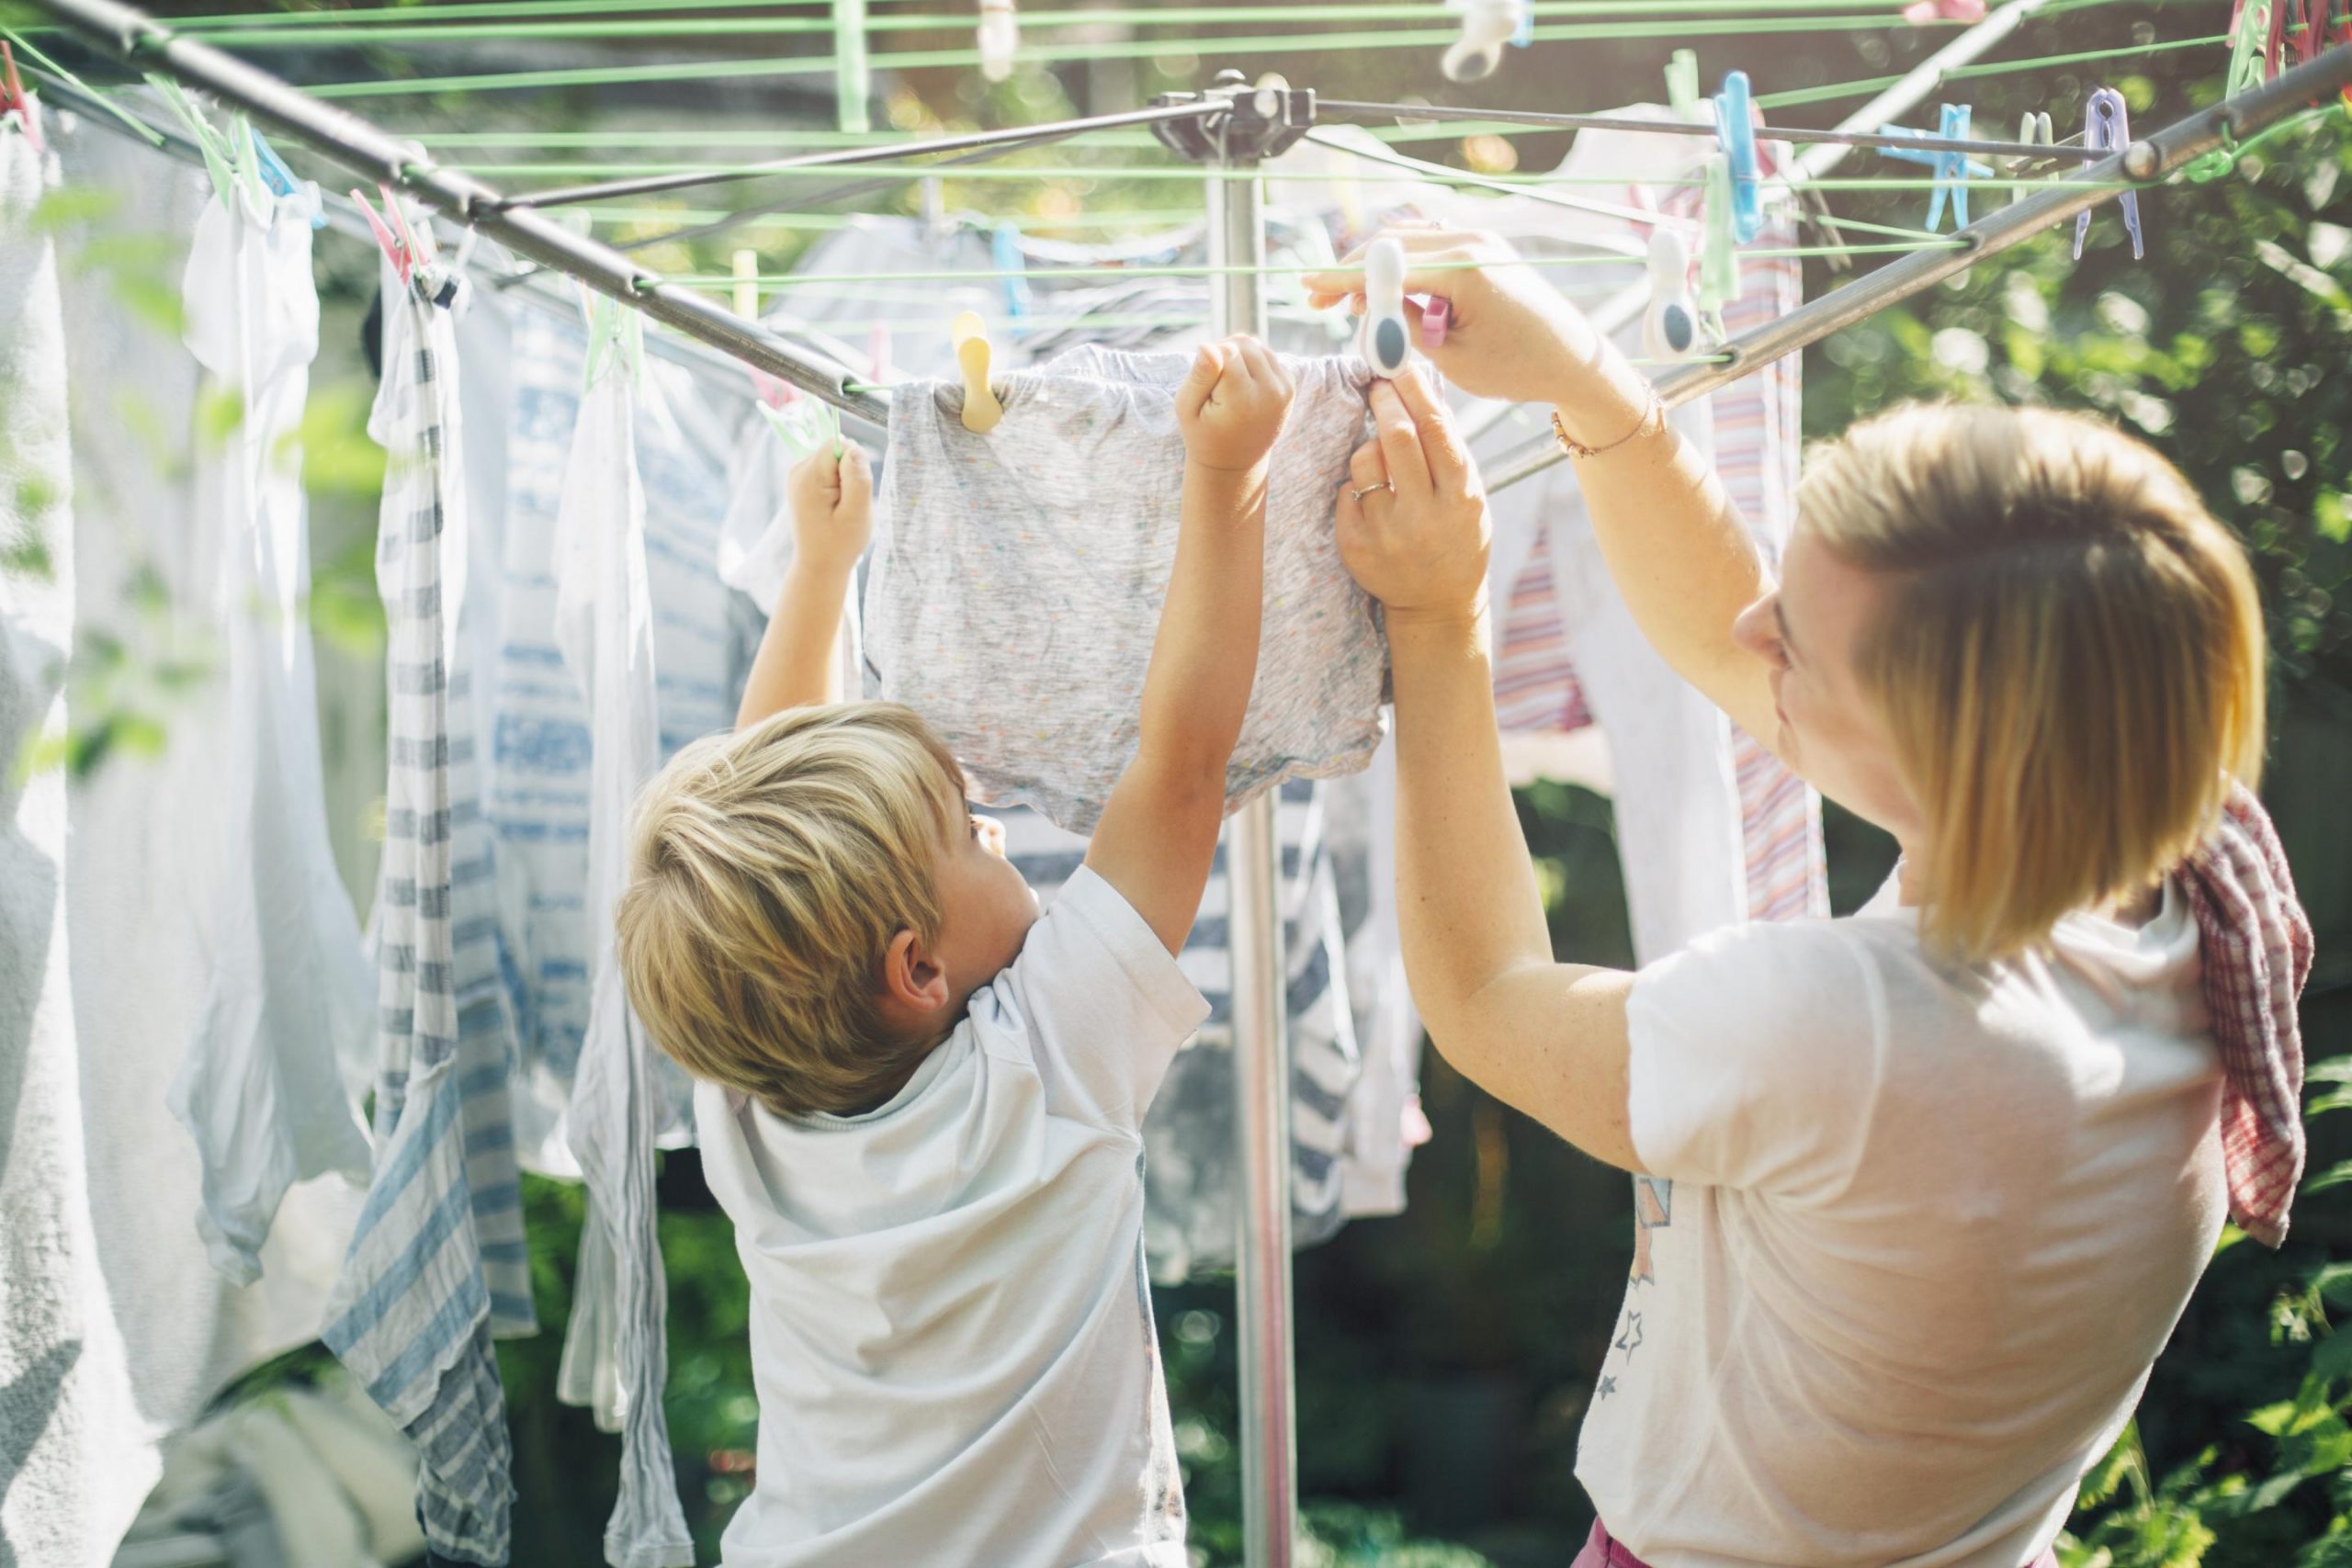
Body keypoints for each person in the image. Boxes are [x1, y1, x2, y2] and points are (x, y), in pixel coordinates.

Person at [1305, 229, 2301, 1568]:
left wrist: (1438, 622)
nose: (1752, 628)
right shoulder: (2160, 871)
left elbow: (1487, 1002)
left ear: (1950, 751)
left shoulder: (1850, 1029)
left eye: (1804, 643)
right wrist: (1591, 388)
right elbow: (1751, 642)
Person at [613, 337, 1295, 1567]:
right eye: (966, 834)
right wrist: (1227, 479)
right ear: (916, 969)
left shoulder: (759, 1108)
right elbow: (1181, 768)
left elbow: (773, 825)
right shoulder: (1046, 1058)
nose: (993, 824)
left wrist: (818, 576)